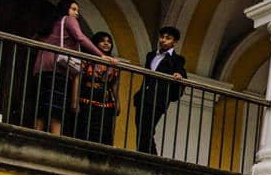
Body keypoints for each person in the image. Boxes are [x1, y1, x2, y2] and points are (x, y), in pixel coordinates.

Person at [32, 0, 99, 135]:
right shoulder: (68, 20)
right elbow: (80, 37)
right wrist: (101, 55)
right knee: (57, 107)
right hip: (59, 68)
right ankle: (55, 138)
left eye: (77, 11)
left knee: (42, 105)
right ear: (65, 9)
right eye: (73, 9)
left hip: (42, 68)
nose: (76, 13)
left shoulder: (51, 24)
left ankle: (36, 133)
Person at [132, 25, 188, 154]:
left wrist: (178, 74)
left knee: (147, 128)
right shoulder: (151, 55)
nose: (163, 40)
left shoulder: (177, 59)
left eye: (168, 38)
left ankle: (149, 157)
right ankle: (147, 155)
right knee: (140, 127)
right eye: (162, 37)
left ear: (174, 42)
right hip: (144, 96)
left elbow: (180, 71)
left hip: (158, 99)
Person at [75, 31, 122, 147]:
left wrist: (118, 102)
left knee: (104, 131)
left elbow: (115, 84)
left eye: (109, 42)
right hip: (88, 98)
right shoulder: (88, 58)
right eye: (102, 41)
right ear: (95, 43)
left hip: (106, 102)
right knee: (87, 129)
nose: (106, 44)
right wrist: (74, 100)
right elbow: (78, 78)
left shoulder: (113, 62)